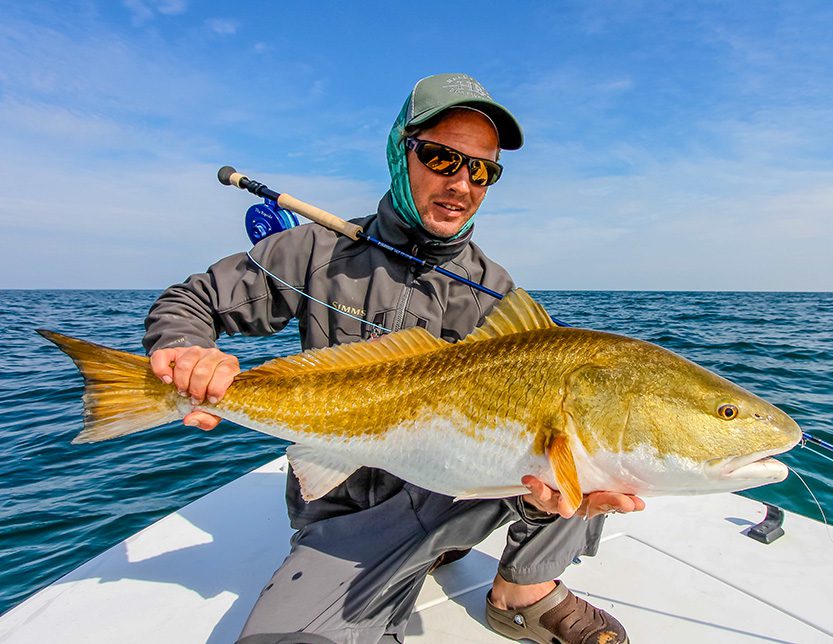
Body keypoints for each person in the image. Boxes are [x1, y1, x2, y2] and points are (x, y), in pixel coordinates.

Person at [143, 73, 642, 644]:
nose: (462, 183)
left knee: (587, 443)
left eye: (482, 170)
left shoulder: (497, 293)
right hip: (347, 507)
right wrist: (185, 349)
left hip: (457, 490)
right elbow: (193, 300)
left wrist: (555, 495)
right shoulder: (314, 250)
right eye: (440, 157)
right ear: (399, 151)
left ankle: (523, 591)